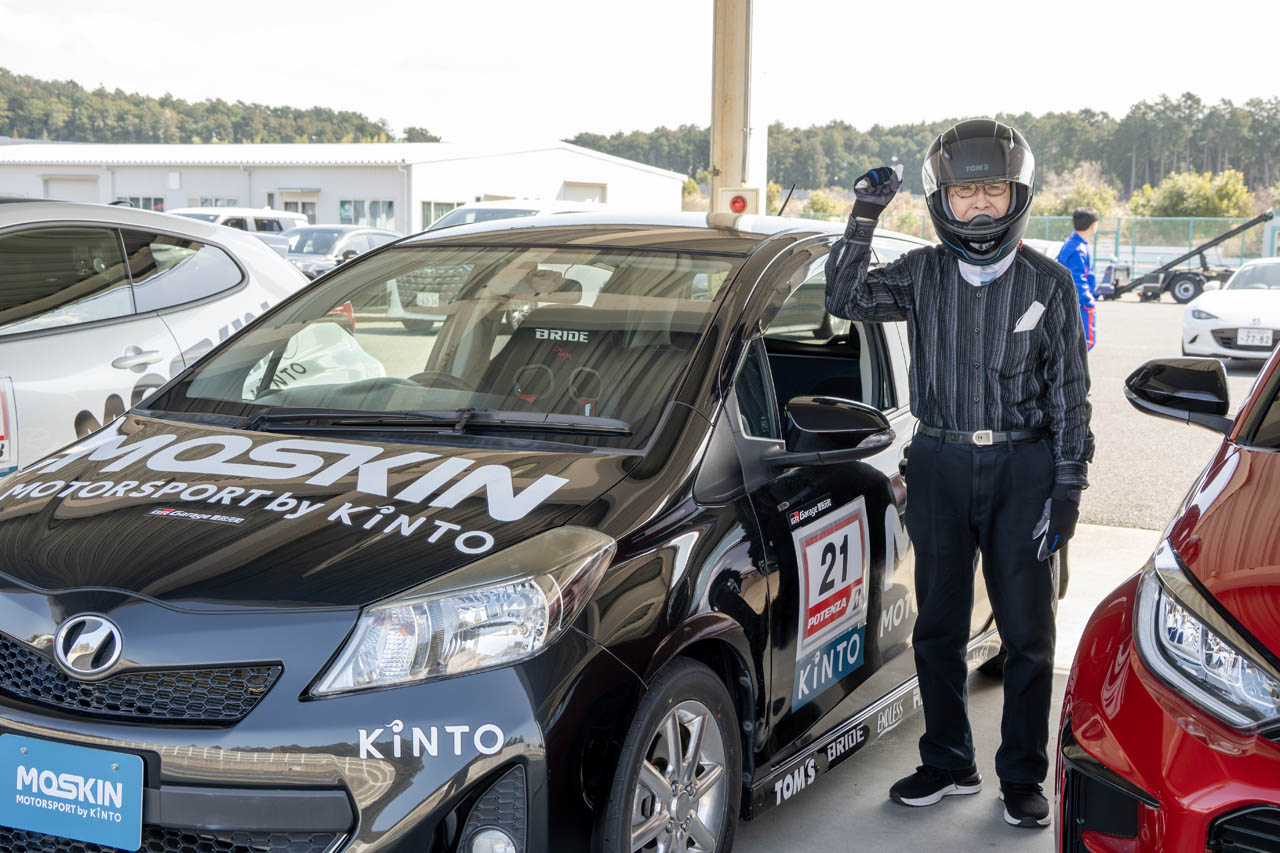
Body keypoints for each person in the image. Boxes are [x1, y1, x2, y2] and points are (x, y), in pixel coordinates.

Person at [824, 119, 1094, 829]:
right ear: (941, 197)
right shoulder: (920, 273)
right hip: (940, 463)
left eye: (993, 191)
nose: (979, 205)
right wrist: (861, 216)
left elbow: (1069, 393)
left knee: (1029, 635)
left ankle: (1022, 776)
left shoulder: (1051, 282)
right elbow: (844, 298)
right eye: (965, 190)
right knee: (937, 627)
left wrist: (1067, 487)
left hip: (1024, 467)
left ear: (1017, 196)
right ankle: (948, 759)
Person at [1057, 207, 1100, 350]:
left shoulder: (1072, 244)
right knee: (1084, 343)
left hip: (1070, 303)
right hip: (1079, 305)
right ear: (1093, 225)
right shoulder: (1078, 249)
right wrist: (1089, 302)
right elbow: (1078, 280)